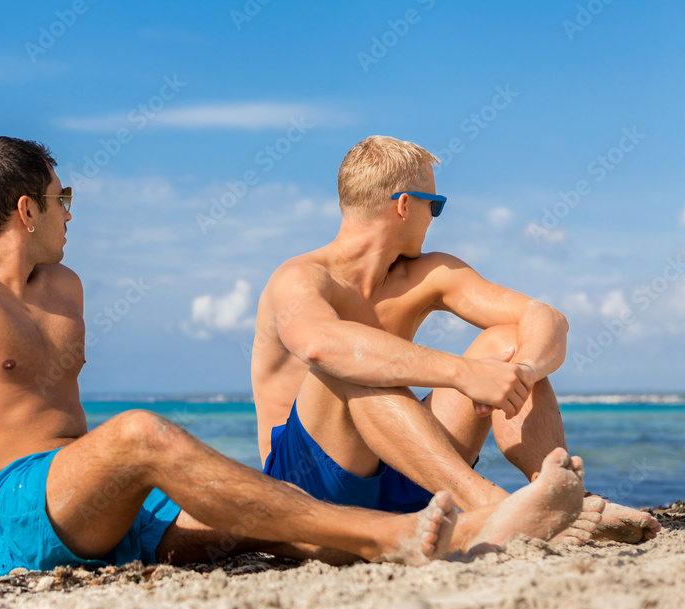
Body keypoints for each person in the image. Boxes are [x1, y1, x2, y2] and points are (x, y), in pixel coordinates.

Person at [0, 136, 586, 587]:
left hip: (93, 504)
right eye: (64, 198)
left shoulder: (65, 287)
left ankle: (442, 529)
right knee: (144, 432)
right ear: (27, 207)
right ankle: (395, 536)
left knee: (251, 518)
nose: (70, 215)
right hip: (2, 511)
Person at [251, 135, 660, 549]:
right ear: (404, 205)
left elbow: (545, 318)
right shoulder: (301, 278)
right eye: (436, 205)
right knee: (351, 359)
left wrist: (523, 371)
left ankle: (560, 502)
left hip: (407, 473)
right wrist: (465, 374)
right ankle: (492, 505)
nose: (435, 218)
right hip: (308, 493)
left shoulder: (427, 274)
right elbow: (322, 345)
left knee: (507, 341)